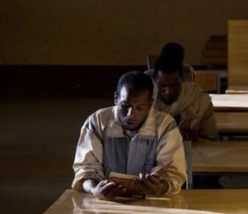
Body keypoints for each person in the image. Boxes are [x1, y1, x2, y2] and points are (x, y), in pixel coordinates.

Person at [72, 71, 186, 199]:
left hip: (151, 201)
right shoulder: (97, 121)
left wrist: (159, 187)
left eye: (140, 108)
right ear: (116, 98)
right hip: (106, 201)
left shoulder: (165, 125)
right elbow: (85, 169)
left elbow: (173, 174)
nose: (130, 115)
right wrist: (94, 189)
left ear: (150, 104)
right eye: (125, 106)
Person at [152, 53, 218, 142]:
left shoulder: (199, 99)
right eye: (163, 86)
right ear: (155, 80)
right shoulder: (145, 101)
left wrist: (196, 139)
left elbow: (212, 139)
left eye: (174, 86)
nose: (168, 91)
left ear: (182, 79)